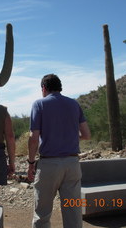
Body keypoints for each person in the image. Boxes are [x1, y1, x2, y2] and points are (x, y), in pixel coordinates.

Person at [27, 74, 91, 228]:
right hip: (72, 164)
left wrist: (30, 162)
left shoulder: (39, 105)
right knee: (74, 211)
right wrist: (69, 136)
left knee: (42, 212)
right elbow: (87, 135)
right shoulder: (74, 104)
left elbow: (33, 138)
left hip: (49, 164)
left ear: (43, 88)